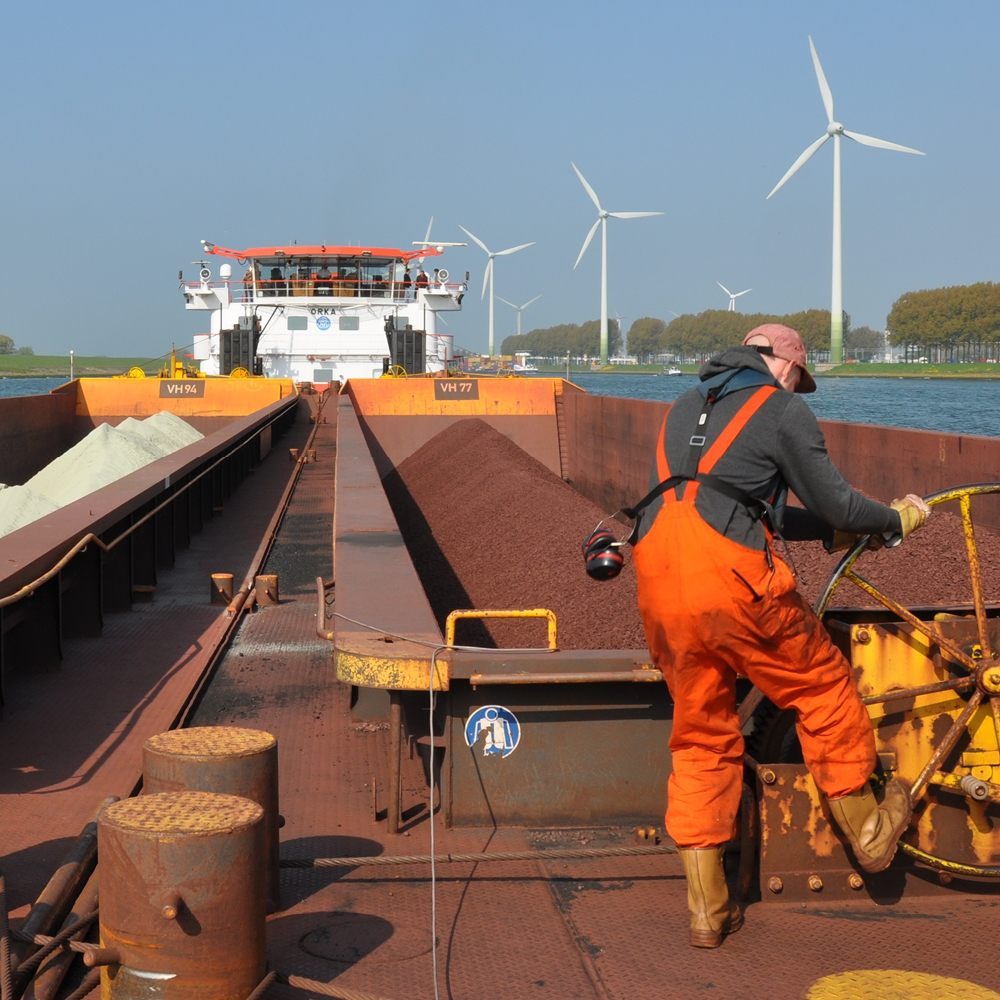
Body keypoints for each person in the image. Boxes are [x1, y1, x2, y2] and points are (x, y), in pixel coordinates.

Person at [632, 324, 929, 949]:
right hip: (735, 588)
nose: (800, 387)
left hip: (661, 588)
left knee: (700, 734)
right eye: (801, 377)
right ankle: (871, 833)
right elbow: (841, 504)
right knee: (821, 687)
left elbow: (723, 501)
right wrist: (892, 521)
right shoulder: (782, 408)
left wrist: (825, 534)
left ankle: (708, 912)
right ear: (785, 366)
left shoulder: (685, 406)